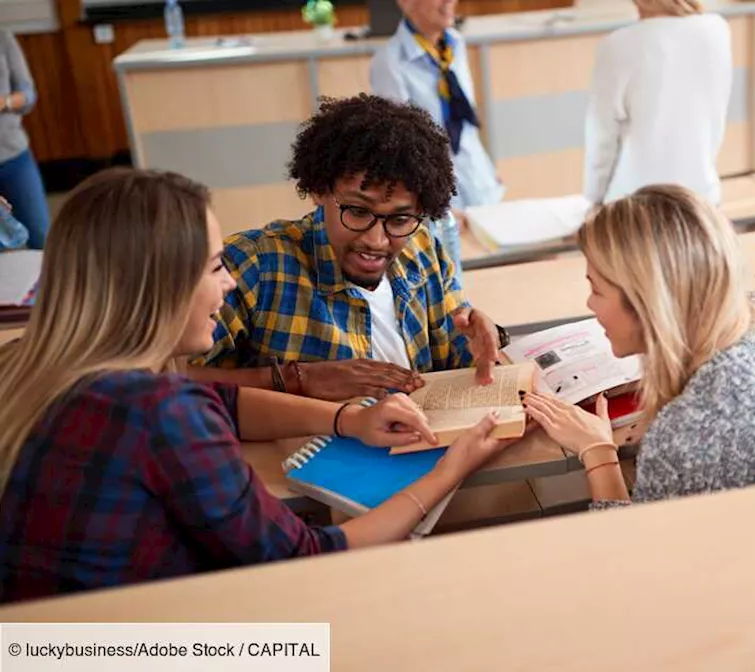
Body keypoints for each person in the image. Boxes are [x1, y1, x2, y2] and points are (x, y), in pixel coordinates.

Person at [0, 168, 513, 604]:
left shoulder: (22, 361)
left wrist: (347, 419)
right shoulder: (161, 411)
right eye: (216, 267)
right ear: (160, 287)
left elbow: (225, 402)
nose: (228, 283)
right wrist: (450, 468)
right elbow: (310, 555)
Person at [521, 185, 755, 507]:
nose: (589, 305)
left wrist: (598, 451)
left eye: (597, 289)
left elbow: (639, 560)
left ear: (647, 303)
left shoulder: (687, 430)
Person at [187, 95, 507, 401]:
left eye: (399, 219)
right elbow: (163, 380)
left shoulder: (423, 250)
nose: (376, 240)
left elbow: (458, 356)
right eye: (357, 211)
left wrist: (480, 341)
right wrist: (299, 379)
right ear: (318, 190)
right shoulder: (254, 266)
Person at [583, 0, 731, 205]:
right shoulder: (717, 29)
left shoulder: (619, 45)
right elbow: (715, 116)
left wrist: (593, 202)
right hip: (702, 196)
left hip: (636, 205)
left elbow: (601, 138)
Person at [370, 0, 503, 209]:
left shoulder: (455, 43)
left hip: (479, 183)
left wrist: (486, 170)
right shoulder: (389, 61)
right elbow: (402, 147)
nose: (450, 1)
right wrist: (434, 205)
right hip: (440, 199)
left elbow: (463, 119)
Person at [0, 30, 49, 249]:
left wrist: (6, 102)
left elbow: (28, 94)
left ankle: (52, 284)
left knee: (41, 235)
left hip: (14, 156)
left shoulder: (3, 37)